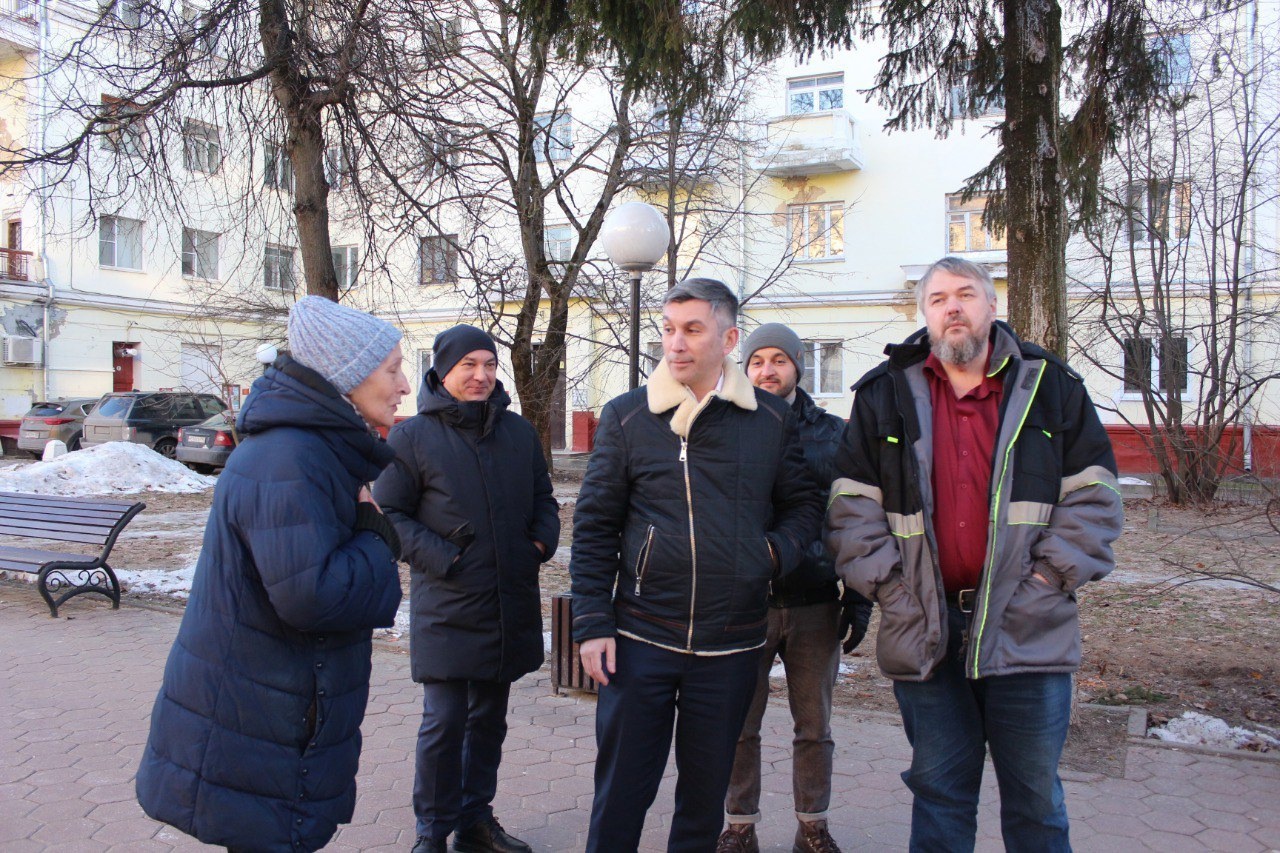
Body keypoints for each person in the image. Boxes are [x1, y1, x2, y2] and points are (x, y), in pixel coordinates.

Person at [825, 257, 1123, 852]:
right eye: (938, 298)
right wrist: (893, 592)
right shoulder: (884, 395)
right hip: (926, 627)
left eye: (966, 294)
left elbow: (1094, 499)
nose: (952, 307)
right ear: (925, 315)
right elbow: (850, 508)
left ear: (992, 306)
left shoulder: (1051, 388)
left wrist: (1043, 582)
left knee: (1036, 801)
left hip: (1027, 627)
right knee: (939, 794)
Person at [136, 295, 411, 852]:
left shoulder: (307, 450)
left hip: (268, 707)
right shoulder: (291, 458)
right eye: (392, 369)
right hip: (258, 715)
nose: (405, 385)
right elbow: (312, 595)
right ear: (347, 376)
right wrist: (378, 538)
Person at [571, 278, 825, 853]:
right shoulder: (628, 418)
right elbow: (594, 528)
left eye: (692, 329)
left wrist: (764, 557)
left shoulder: (769, 422)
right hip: (639, 638)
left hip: (731, 646)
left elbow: (804, 506)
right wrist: (591, 623)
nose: (676, 343)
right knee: (620, 794)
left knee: (703, 804)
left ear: (728, 337)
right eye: (668, 329)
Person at [373, 325, 559, 853]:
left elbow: (544, 500)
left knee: (489, 721)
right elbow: (389, 515)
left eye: (488, 365)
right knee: (444, 724)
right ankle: (430, 835)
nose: (481, 376)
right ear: (442, 371)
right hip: (449, 605)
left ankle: (474, 821)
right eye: (467, 366)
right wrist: (447, 558)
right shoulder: (411, 438)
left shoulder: (518, 433)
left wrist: (538, 547)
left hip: (506, 600)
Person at [717, 324, 873, 853]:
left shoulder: (835, 434)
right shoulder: (726, 426)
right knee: (739, 725)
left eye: (779, 359)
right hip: (744, 604)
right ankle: (739, 826)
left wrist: (858, 595)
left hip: (814, 604)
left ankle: (813, 825)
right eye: (757, 359)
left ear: (798, 367)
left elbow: (855, 519)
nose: (767, 370)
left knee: (815, 726)